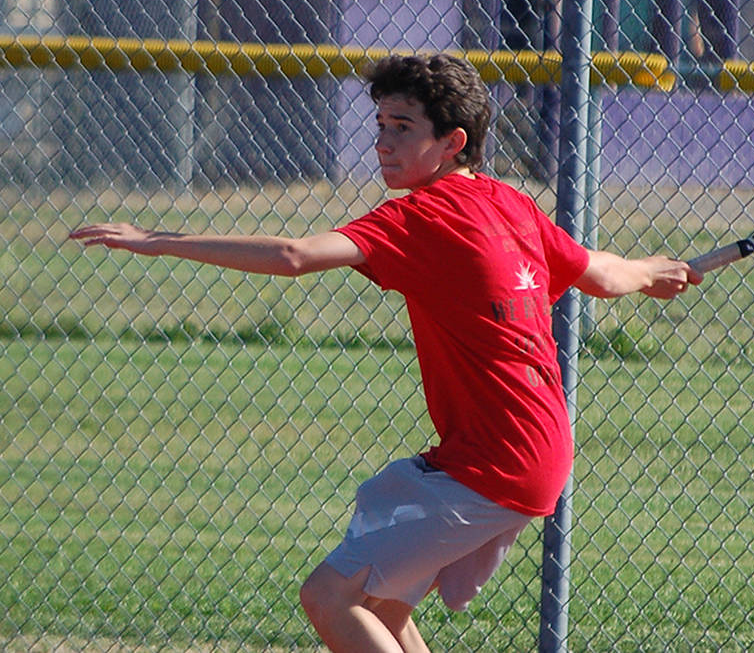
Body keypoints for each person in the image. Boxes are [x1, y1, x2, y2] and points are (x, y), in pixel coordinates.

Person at [69, 52, 701, 653]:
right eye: (379, 125)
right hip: (529, 450)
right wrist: (650, 271)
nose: (383, 142)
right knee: (383, 611)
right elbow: (604, 274)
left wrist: (158, 239)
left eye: (403, 127)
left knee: (329, 597)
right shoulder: (510, 204)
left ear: (454, 142)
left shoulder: (420, 217)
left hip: (498, 462)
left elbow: (295, 257)